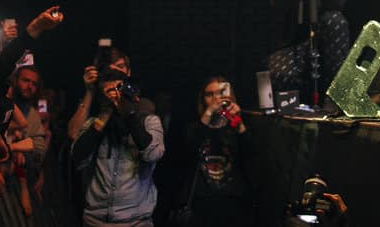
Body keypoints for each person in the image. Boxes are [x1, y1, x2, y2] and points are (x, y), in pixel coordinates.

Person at [70, 67, 165, 226]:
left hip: (136, 222)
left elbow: (153, 154)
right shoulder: (95, 124)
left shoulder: (149, 122)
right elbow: (77, 158)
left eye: (119, 89)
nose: (116, 96)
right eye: (110, 92)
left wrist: (129, 114)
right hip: (96, 221)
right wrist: (104, 116)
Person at [169, 76, 253, 227]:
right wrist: (208, 113)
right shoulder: (193, 127)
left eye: (220, 93)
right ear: (203, 99)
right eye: (210, 94)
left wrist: (239, 123)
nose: (216, 98)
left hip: (232, 201)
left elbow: (251, 157)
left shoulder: (236, 126)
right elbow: (187, 152)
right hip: (200, 202)